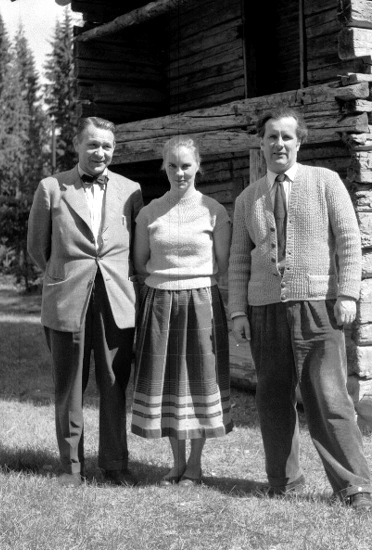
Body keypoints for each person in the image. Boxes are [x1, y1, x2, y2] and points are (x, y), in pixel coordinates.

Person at [228, 108, 372, 511]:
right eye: (271, 137)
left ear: (299, 142)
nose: (279, 144)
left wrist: (348, 294)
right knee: (272, 398)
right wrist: (237, 312)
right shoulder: (247, 198)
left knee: (330, 397)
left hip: (318, 306)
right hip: (264, 311)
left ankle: (354, 487)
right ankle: (283, 481)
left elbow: (349, 240)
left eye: (286, 137)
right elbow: (238, 259)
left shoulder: (325, 181)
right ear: (261, 143)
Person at [27, 117, 143, 488]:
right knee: (69, 385)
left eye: (107, 146)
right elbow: (37, 247)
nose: (99, 152)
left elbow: (136, 247)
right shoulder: (51, 187)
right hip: (67, 298)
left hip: (116, 300)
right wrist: (65, 276)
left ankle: (115, 464)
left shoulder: (131, 190)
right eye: (92, 144)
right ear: (77, 144)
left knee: (114, 382)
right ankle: (70, 467)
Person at [131, 135, 233, 487]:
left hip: (202, 302)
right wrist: (168, 283)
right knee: (170, 383)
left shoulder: (214, 210)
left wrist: (193, 282)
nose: (179, 172)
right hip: (161, 303)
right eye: (172, 165)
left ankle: (195, 465)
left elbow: (222, 263)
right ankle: (176, 463)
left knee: (201, 380)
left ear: (198, 166)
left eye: (186, 165)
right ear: (164, 167)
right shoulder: (149, 212)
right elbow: (140, 263)